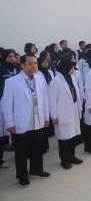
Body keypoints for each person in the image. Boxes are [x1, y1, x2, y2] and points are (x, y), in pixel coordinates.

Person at [1, 54, 51, 186]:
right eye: (30, 63)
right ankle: (22, 176)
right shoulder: (12, 82)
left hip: (37, 120)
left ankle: (36, 170)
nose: (33, 66)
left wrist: (46, 117)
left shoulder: (40, 78)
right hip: (20, 123)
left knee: (37, 148)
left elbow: (45, 98)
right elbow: (6, 104)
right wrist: (9, 123)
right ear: (22, 65)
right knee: (21, 152)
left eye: (35, 63)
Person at [49, 60, 83, 169]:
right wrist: (54, 116)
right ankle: (64, 160)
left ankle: (72, 156)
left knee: (73, 136)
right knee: (64, 139)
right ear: (66, 68)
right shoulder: (56, 81)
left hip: (73, 109)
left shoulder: (72, 78)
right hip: (62, 113)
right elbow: (52, 101)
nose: (74, 70)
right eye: (72, 67)